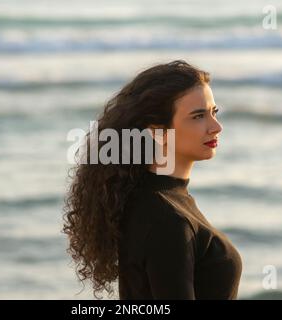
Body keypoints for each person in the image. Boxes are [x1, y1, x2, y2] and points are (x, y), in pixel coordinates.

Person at [63, 60, 242, 300]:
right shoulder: (166, 217)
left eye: (213, 112)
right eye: (198, 116)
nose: (216, 126)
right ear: (158, 132)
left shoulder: (161, 200)